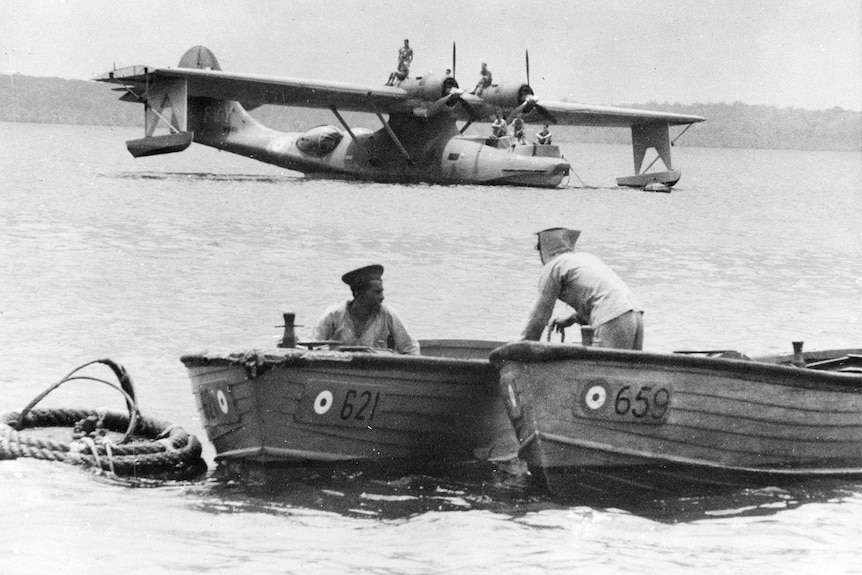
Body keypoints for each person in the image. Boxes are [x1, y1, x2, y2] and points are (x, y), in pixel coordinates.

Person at [519, 228, 644, 350]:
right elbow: (601, 295)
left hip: (613, 317)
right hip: (635, 314)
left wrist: (521, 349)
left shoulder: (553, 266)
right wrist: (573, 318)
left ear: (544, 249)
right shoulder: (585, 258)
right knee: (630, 369)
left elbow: (538, 317)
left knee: (605, 370)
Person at [313, 264, 420, 355]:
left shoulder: (387, 314)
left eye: (382, 292)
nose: (382, 297)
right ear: (358, 294)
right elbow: (312, 346)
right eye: (377, 292)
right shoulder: (334, 315)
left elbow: (411, 348)